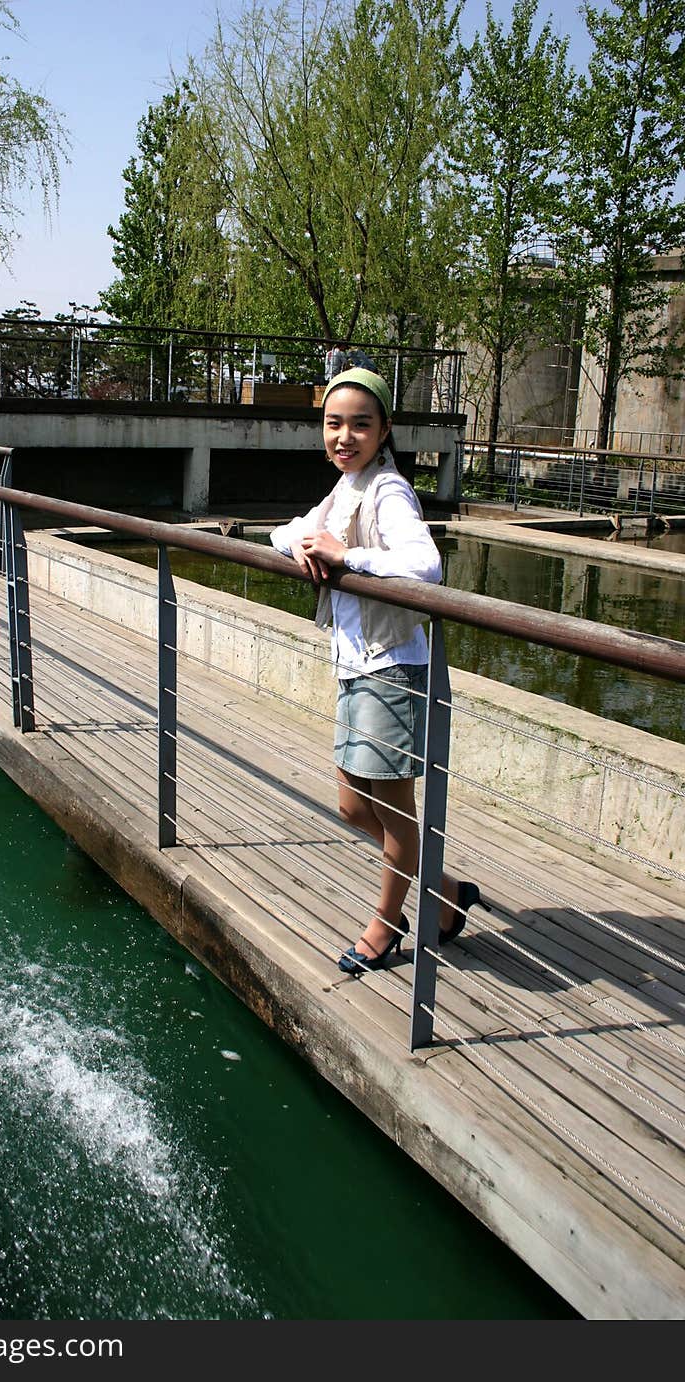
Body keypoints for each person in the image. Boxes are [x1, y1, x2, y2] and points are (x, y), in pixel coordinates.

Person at [270, 367, 482, 974]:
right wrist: (307, 545)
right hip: (356, 666)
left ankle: (387, 926)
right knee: (352, 805)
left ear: (384, 430)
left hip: (390, 669)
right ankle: (445, 898)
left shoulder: (387, 490)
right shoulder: (344, 490)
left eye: (361, 424)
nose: (345, 435)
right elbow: (286, 533)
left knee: (391, 810)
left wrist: (347, 555)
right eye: (334, 424)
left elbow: (425, 565)